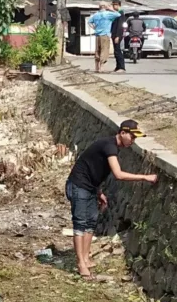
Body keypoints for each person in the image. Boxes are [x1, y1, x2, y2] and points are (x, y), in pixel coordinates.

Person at [65, 120, 158, 280]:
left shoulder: (112, 147)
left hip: (90, 187)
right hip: (78, 186)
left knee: (91, 222)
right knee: (80, 223)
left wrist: (99, 192)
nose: (133, 141)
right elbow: (118, 174)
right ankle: (80, 263)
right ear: (122, 133)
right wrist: (145, 177)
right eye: (132, 137)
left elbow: (95, 168)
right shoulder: (109, 146)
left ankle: (86, 258)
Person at [88, 2, 122, 73]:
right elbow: (118, 14)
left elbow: (89, 22)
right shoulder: (107, 14)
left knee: (97, 50)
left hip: (97, 34)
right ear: (104, 7)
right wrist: (111, 9)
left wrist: (94, 27)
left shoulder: (96, 15)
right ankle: (102, 67)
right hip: (105, 34)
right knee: (104, 51)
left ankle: (96, 67)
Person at [110, 0, 126, 73]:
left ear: (118, 5)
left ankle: (122, 67)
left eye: (114, 5)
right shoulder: (116, 13)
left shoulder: (120, 13)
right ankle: (118, 66)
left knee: (118, 50)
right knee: (116, 51)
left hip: (117, 35)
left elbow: (120, 26)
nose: (113, 7)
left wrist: (118, 36)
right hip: (114, 34)